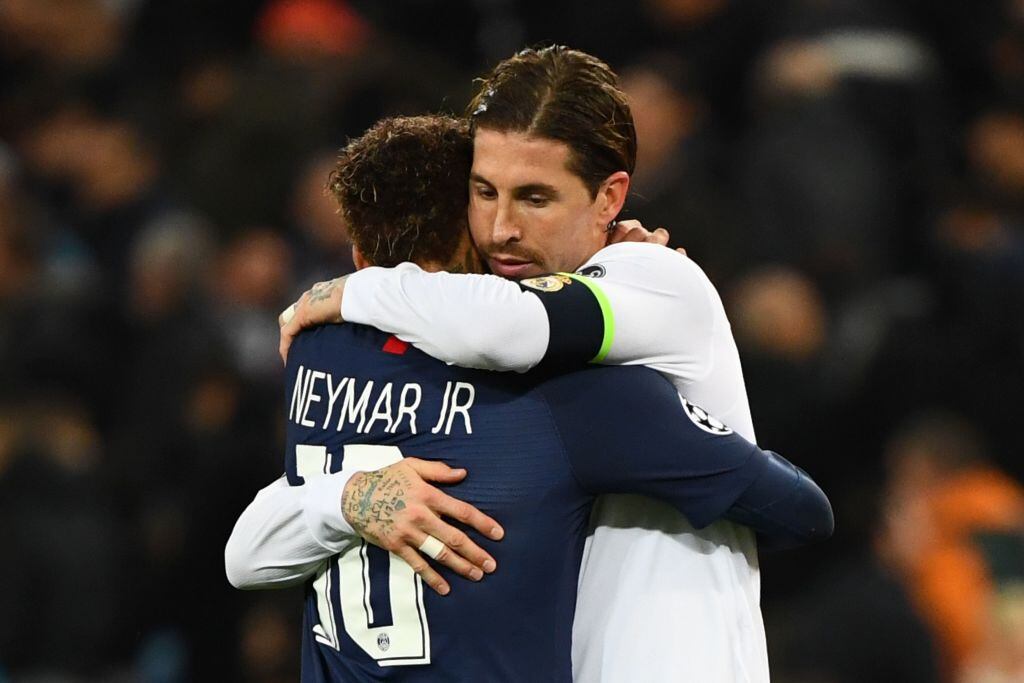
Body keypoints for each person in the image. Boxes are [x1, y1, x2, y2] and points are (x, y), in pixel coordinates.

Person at [227, 114, 833, 682]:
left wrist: (348, 497)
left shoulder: (312, 359)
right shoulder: (565, 397)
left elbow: (244, 557)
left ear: (361, 260)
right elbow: (802, 509)